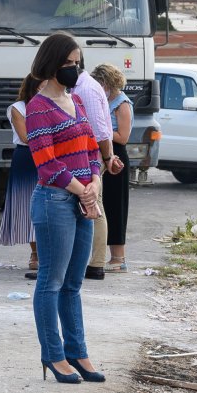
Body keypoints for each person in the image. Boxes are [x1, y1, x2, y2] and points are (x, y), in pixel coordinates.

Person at [25, 32, 105, 384]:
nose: (75, 69)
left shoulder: (77, 101)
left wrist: (95, 182)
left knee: (74, 284)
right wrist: (82, 191)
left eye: (78, 64)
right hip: (54, 201)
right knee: (51, 282)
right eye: (69, 63)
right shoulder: (37, 108)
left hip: (82, 199)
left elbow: (91, 151)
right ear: (51, 63)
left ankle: (78, 351)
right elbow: (47, 164)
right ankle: (53, 355)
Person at [72, 57, 125, 280]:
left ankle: (95, 263)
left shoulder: (87, 89)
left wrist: (107, 157)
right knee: (91, 204)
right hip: (87, 155)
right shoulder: (81, 87)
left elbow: (99, 131)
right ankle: (91, 262)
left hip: (90, 156)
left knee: (95, 204)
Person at [91, 63, 133, 273]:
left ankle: (118, 258)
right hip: (102, 154)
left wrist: (100, 132)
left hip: (116, 155)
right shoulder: (102, 100)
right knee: (102, 205)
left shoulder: (121, 103)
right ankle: (104, 255)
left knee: (116, 206)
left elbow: (123, 137)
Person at [0, 75, 39, 278]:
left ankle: (45, 253)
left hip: (48, 156)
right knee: (28, 205)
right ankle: (35, 253)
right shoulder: (19, 108)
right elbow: (25, 136)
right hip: (27, 157)